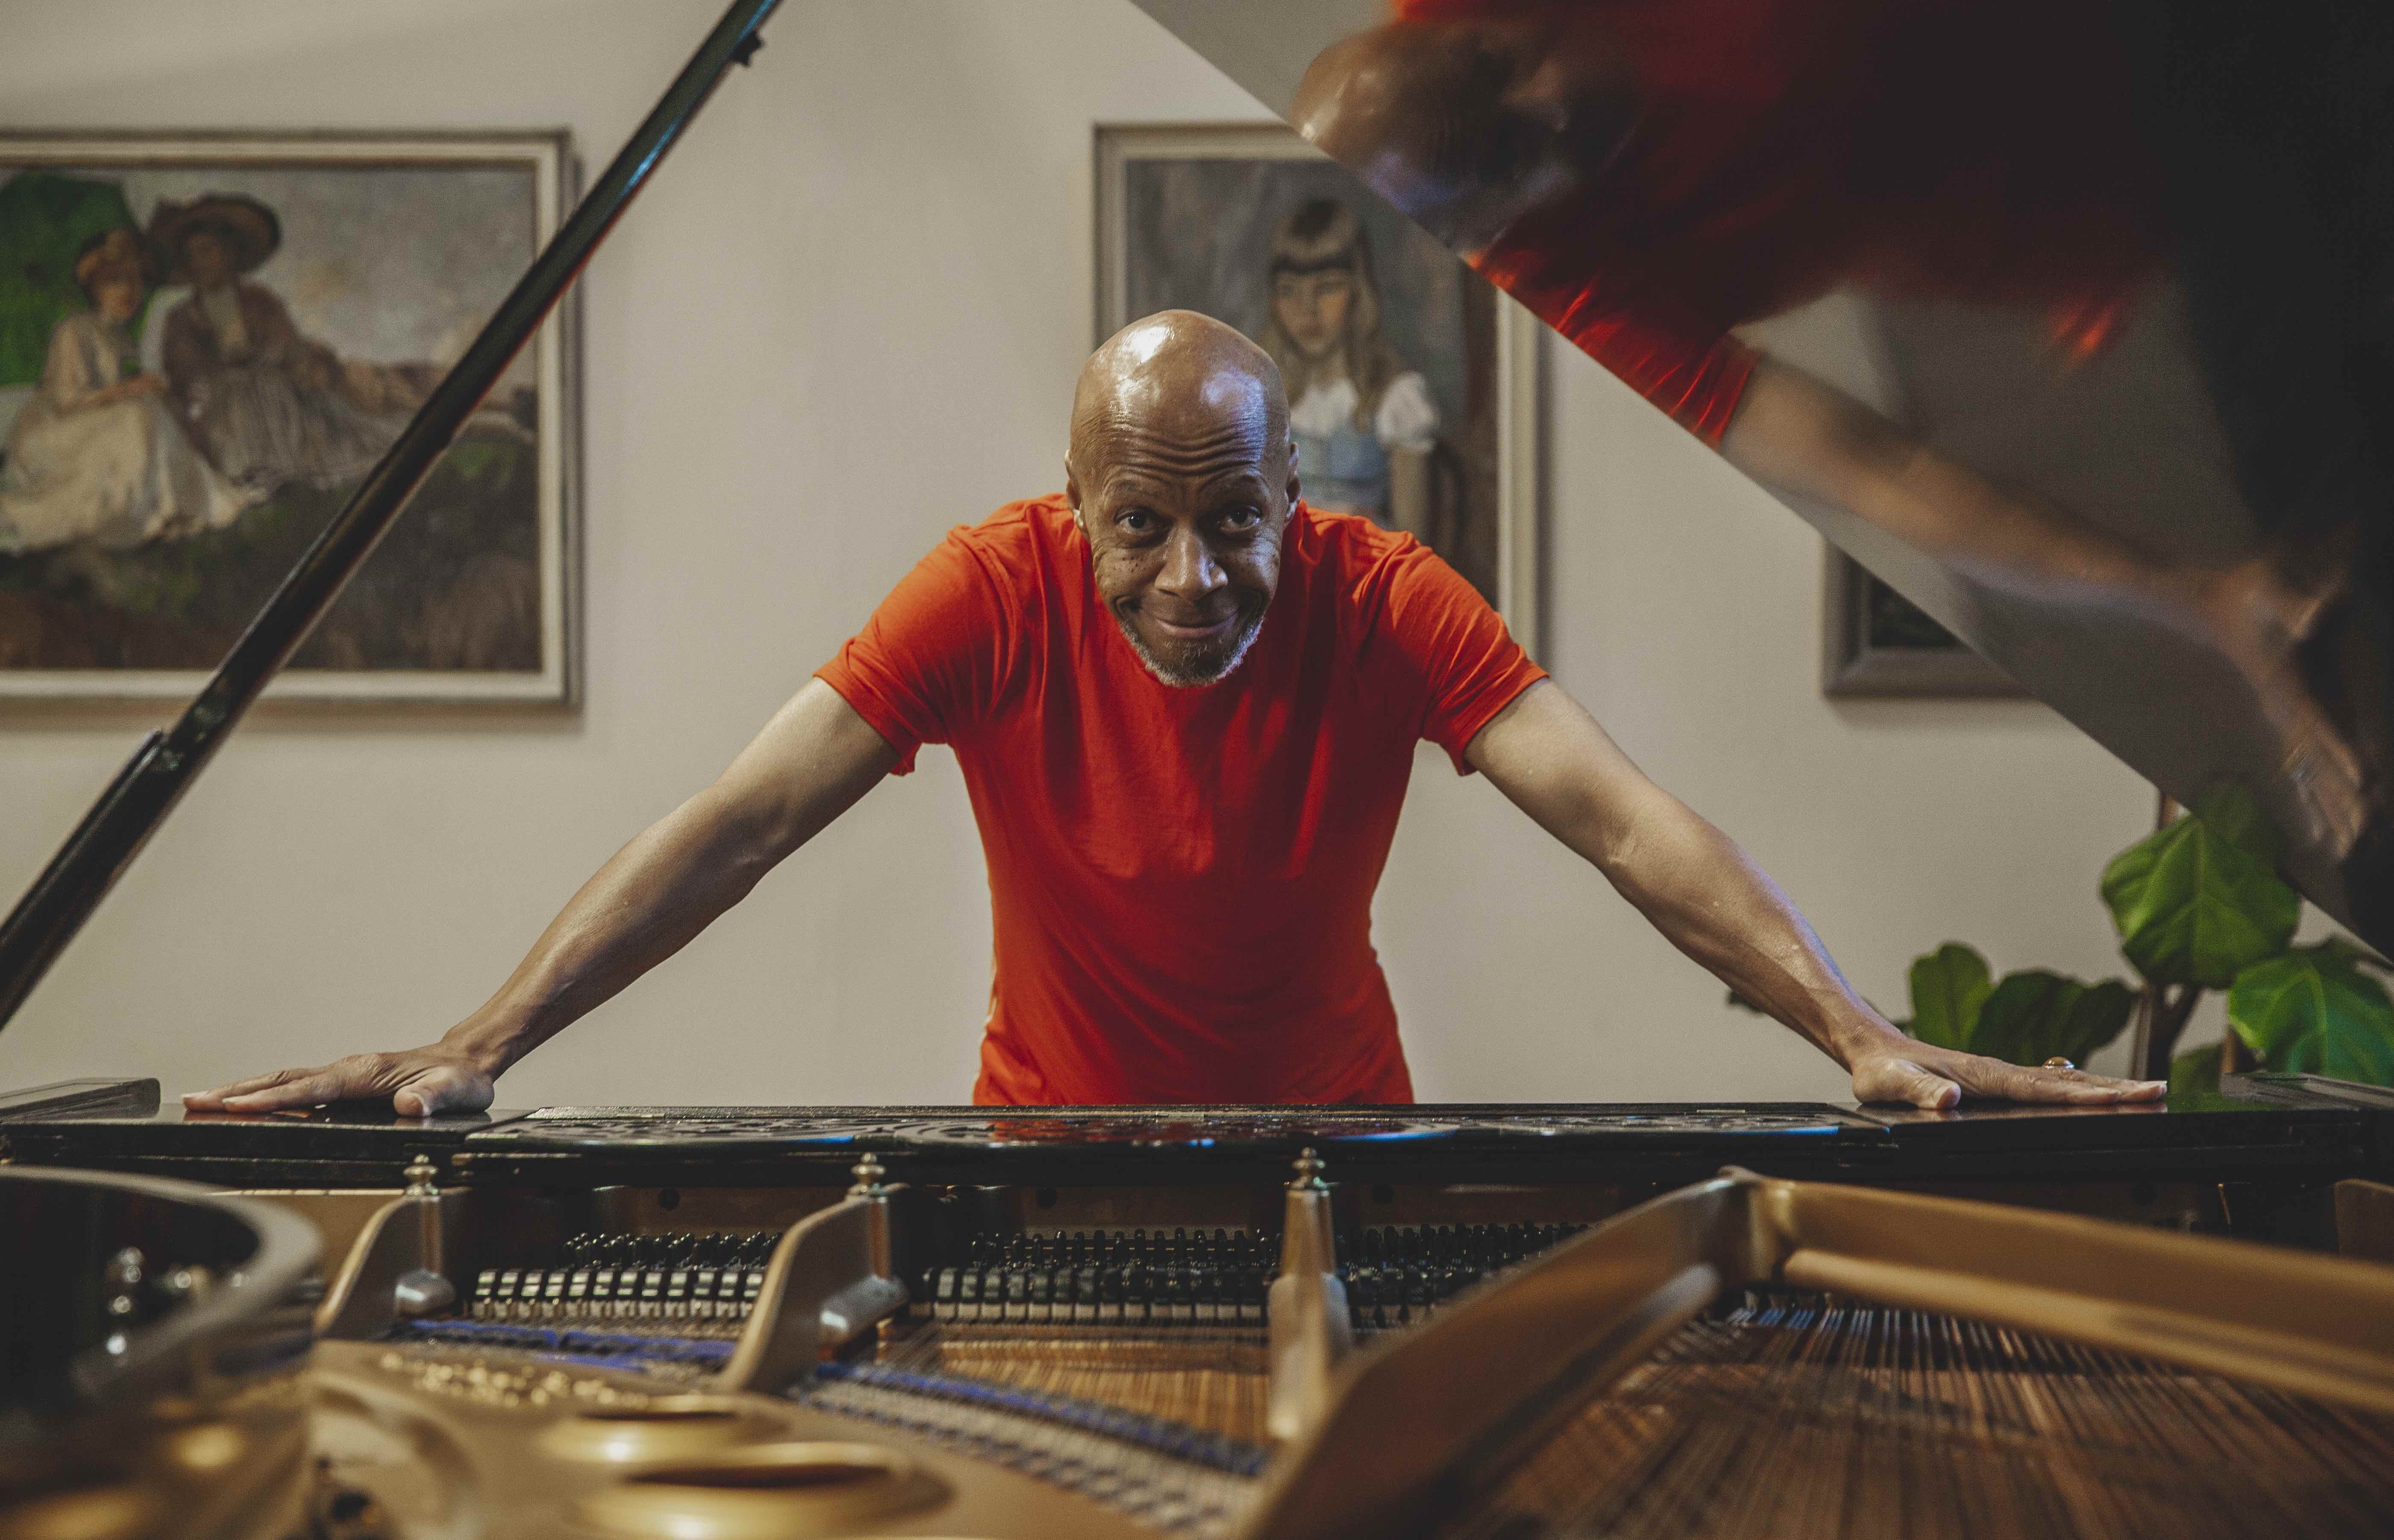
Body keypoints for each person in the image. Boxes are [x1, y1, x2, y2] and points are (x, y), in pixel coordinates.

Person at [184, 312, 2164, 1117]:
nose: (1195, 578)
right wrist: (477, 1042)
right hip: (1032, 1167)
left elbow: (1629, 821)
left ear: (1299, 500)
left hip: (1340, 1154)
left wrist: (1854, 1034)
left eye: (1238, 523)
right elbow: (739, 816)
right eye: (1144, 526)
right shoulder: (985, 590)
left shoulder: (1393, 605)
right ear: (1077, 514)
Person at [1292, 0, 2368, 858]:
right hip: (2137, 183)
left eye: (1496, 56)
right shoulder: (1572, 286)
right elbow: (1883, 475)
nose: (1555, 91)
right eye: (1514, 150)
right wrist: (2203, 598)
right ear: (1478, 231)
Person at [149, 193, 420, 494]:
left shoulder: (260, 302)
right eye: (193, 255)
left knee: (278, 391)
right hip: (217, 404)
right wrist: (217, 373)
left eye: (209, 251)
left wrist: (270, 356)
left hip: (273, 389)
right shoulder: (183, 318)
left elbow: (285, 343)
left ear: (229, 255)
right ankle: (251, 473)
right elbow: (183, 368)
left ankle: (285, 467)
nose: (201, 261)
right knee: (238, 397)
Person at [0, 229, 248, 553]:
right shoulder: (74, 329)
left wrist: (151, 391)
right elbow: (65, 400)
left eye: (136, 281)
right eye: (116, 281)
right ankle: (129, 516)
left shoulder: (124, 342)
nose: (130, 291)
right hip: (52, 433)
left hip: (96, 427)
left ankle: (168, 507)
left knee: (149, 410)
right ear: (95, 288)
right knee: (136, 414)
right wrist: (127, 390)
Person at [1258, 198, 1439, 536]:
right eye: (1289, 291)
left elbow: (1414, 543)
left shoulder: (1394, 398)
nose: (1306, 309)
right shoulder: (1267, 397)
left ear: (1359, 291)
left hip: (1365, 577)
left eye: (1326, 288)